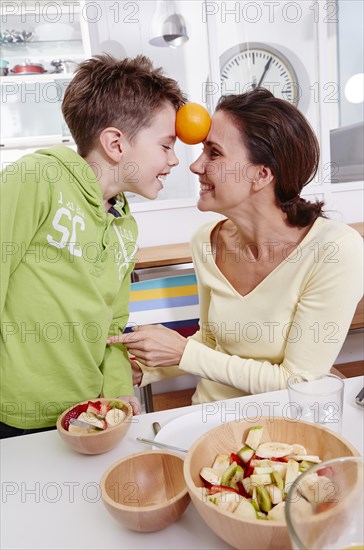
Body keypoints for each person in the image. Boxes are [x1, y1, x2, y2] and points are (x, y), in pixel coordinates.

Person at [109, 88, 363, 405]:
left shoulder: (335, 250)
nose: (195, 166)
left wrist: (183, 352)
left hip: (283, 432)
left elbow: (298, 381)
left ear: (261, 174)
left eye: (214, 153)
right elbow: (213, 342)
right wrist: (140, 370)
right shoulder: (206, 241)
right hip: (206, 417)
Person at [0, 54, 186, 437]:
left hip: (86, 413)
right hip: (14, 414)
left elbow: (114, 324)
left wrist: (118, 390)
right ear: (116, 143)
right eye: (166, 146)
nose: (174, 160)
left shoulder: (125, 225)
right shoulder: (37, 177)